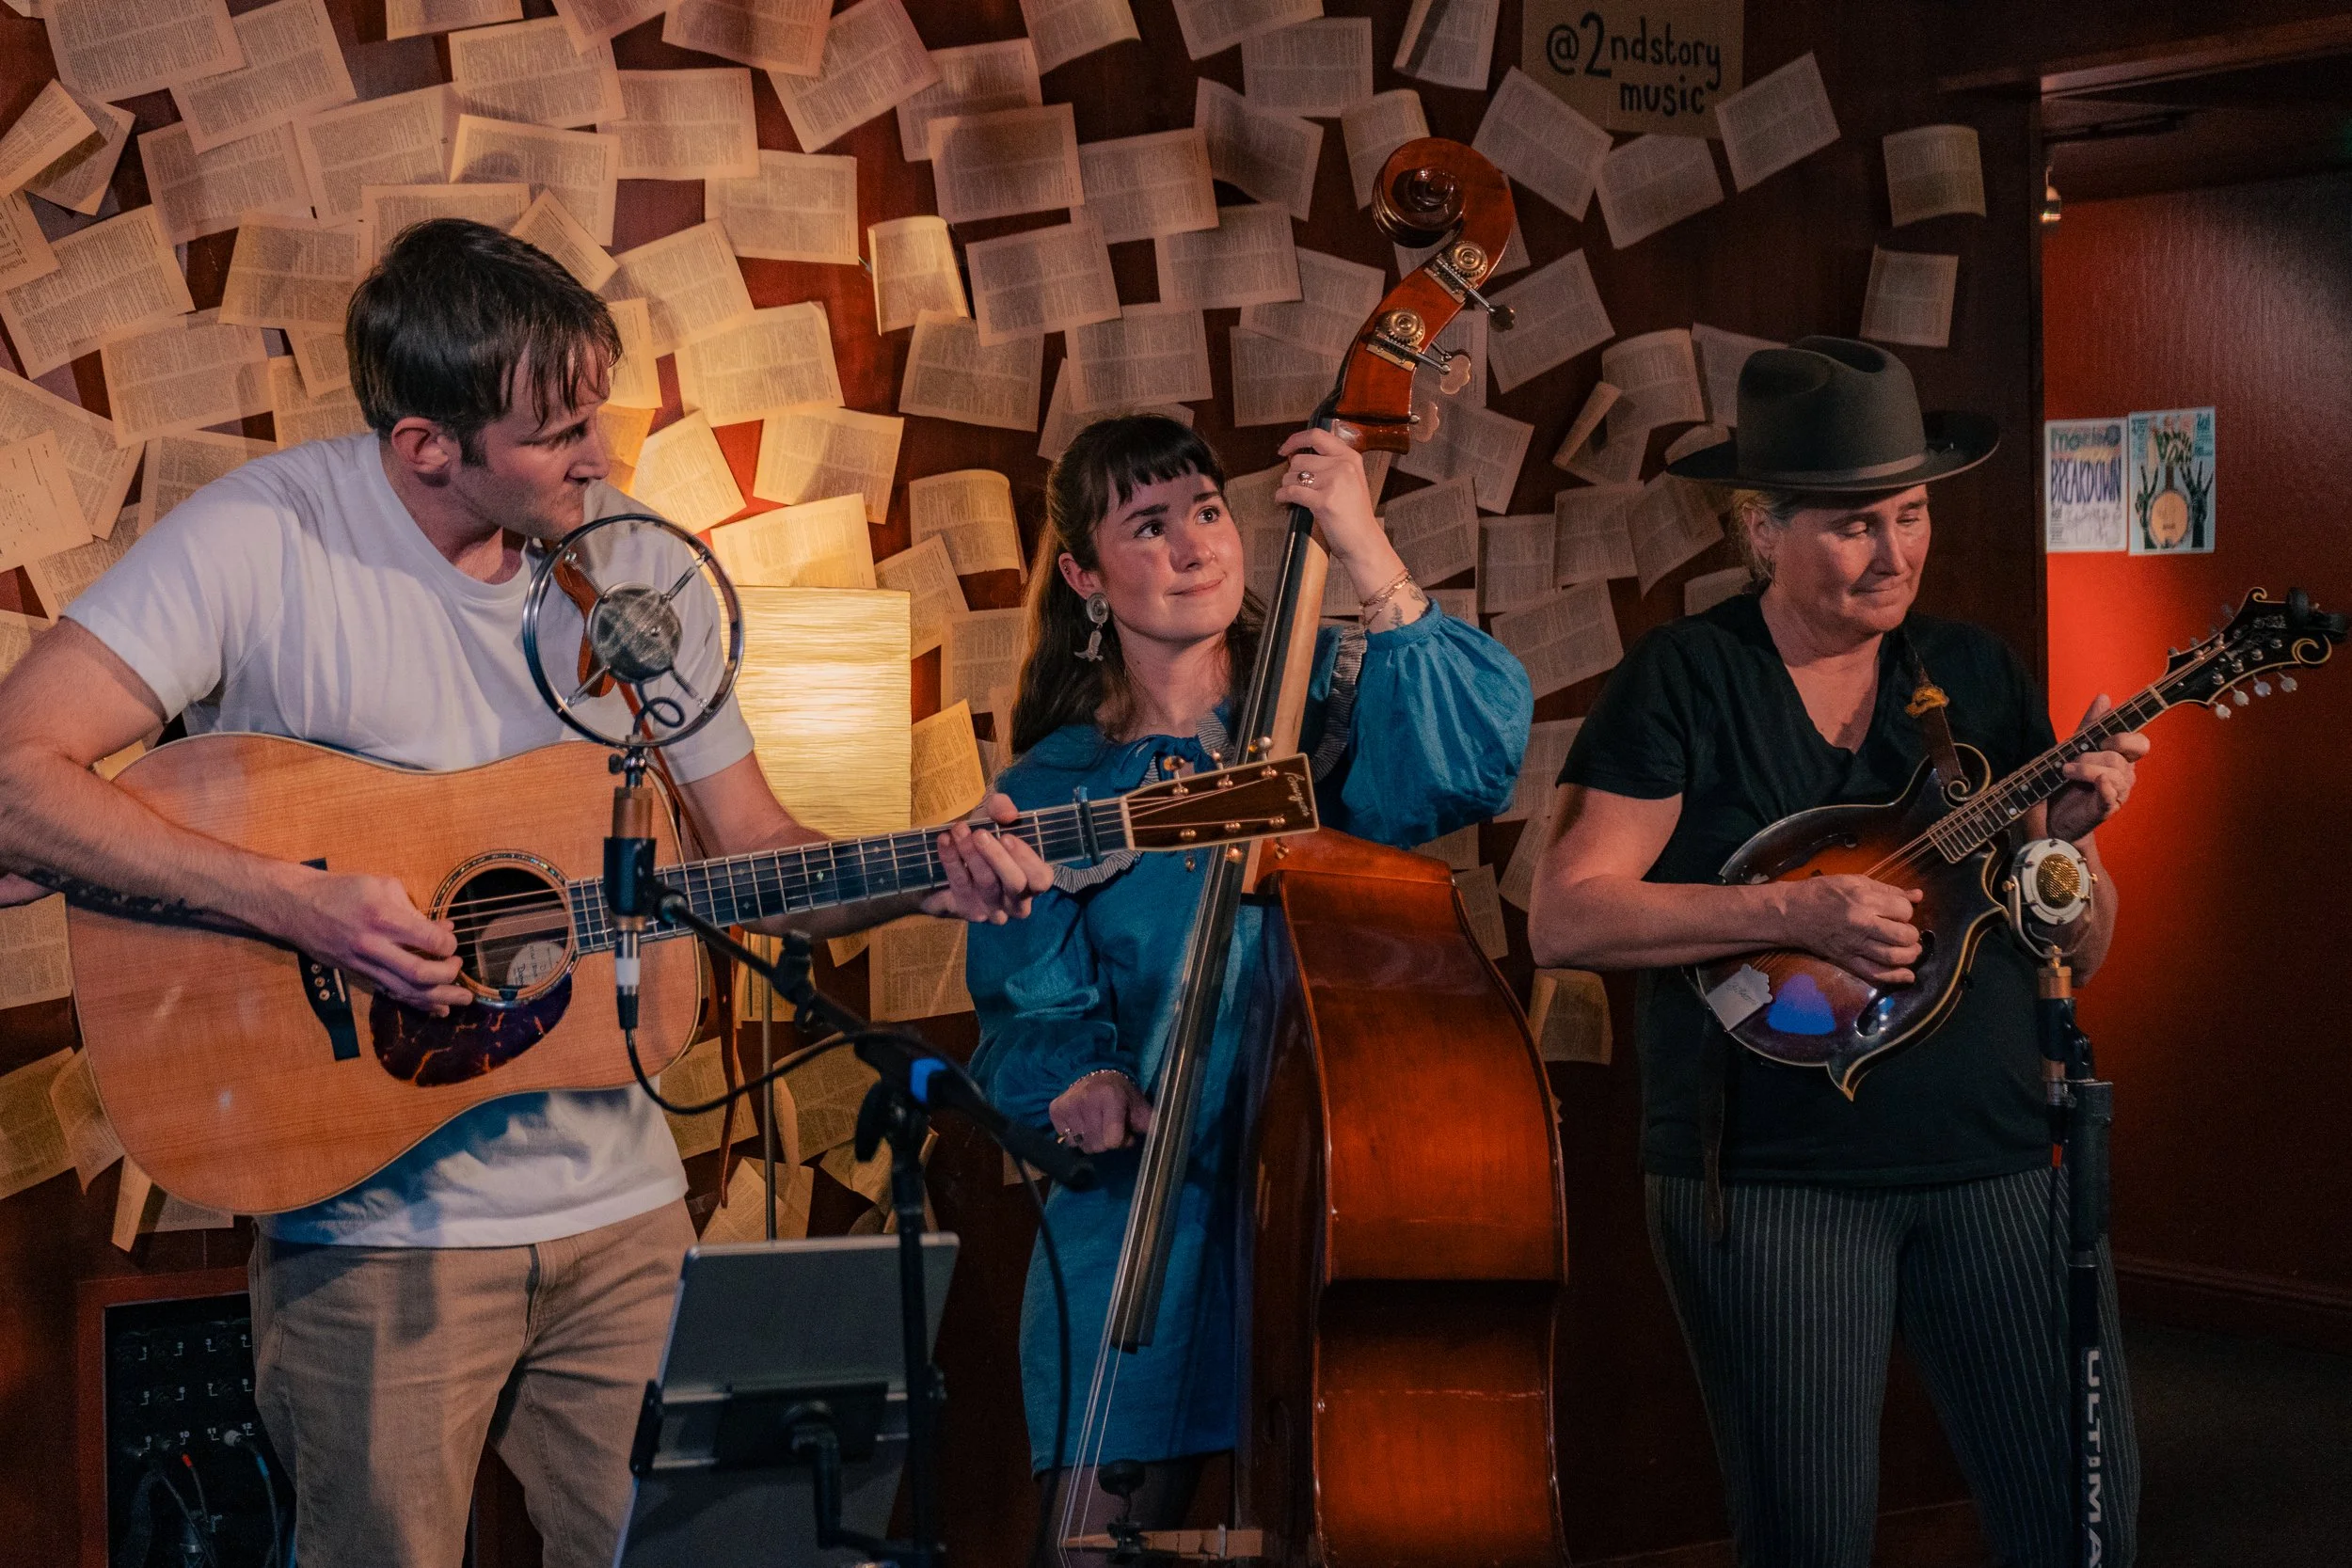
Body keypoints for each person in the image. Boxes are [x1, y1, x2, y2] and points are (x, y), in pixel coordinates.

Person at [0, 219, 1053, 1568]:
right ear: (428, 447)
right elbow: (19, 775)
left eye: (594, 416)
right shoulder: (264, 539)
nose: (599, 458)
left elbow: (756, 854)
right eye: (558, 434)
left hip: (623, 1210)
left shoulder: (634, 573)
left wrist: (926, 869)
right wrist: (292, 901)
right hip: (371, 1236)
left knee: (722, 1556)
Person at [1526, 337, 2145, 1568]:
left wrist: (2066, 853)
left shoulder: (1967, 673)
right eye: (1857, 522)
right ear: (1762, 530)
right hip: (1775, 1186)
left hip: (2004, 1159)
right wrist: (1792, 914)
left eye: (1911, 514)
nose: (1897, 550)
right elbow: (1569, 914)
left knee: (2084, 1522)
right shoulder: (1687, 679)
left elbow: (2077, 930)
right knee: (1809, 1535)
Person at [964, 414, 1533, 1558]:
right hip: (1140, 1215)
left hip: (1338, 1184)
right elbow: (1028, 1006)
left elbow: (1473, 763)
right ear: (1083, 573)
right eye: (1148, 524)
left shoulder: (1329, 709)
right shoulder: (1054, 782)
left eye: (1209, 511)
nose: (1195, 546)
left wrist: (1364, 548)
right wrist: (1078, 1076)